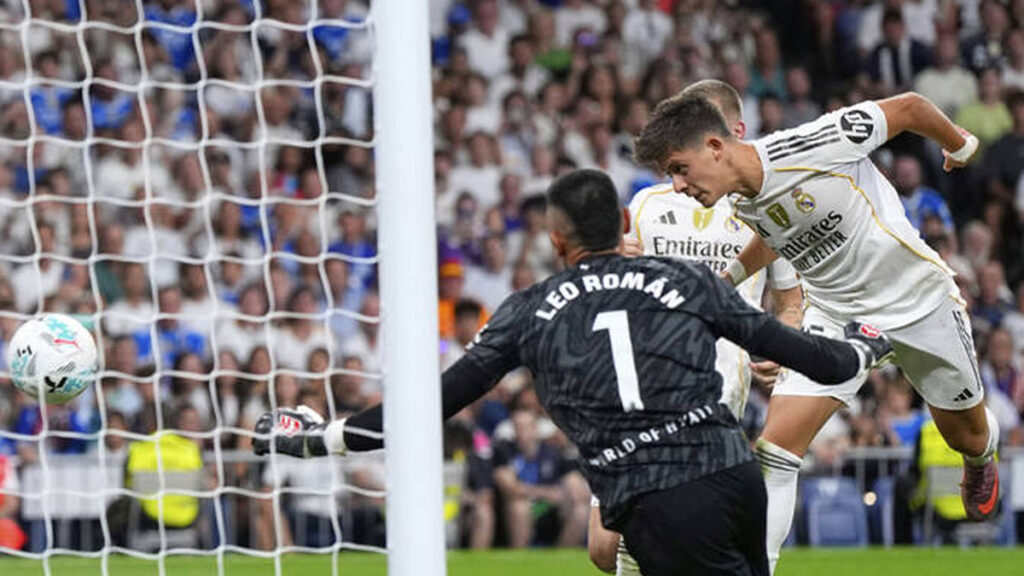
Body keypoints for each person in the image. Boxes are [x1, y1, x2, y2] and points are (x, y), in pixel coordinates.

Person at [253, 169, 893, 576]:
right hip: (734, 477)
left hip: (656, 496)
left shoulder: (529, 311)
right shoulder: (685, 280)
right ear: (625, 225)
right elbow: (803, 352)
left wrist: (323, 437)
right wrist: (866, 347)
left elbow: (433, 402)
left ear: (555, 240)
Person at [634, 90, 1000, 574]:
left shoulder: (813, 143)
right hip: (835, 315)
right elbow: (776, 232)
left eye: (680, 169)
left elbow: (910, 107)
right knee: (776, 450)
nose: (677, 186)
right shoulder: (740, 199)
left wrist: (959, 144)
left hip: (917, 300)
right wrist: (726, 281)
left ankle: (981, 456)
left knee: (966, 435)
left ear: (715, 147)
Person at [590, 79, 804, 575]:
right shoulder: (647, 205)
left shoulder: (764, 208)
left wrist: (785, 346)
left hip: (717, 384)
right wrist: (612, 264)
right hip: (638, 377)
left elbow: (790, 303)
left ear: (732, 133)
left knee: (657, 526)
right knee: (603, 547)